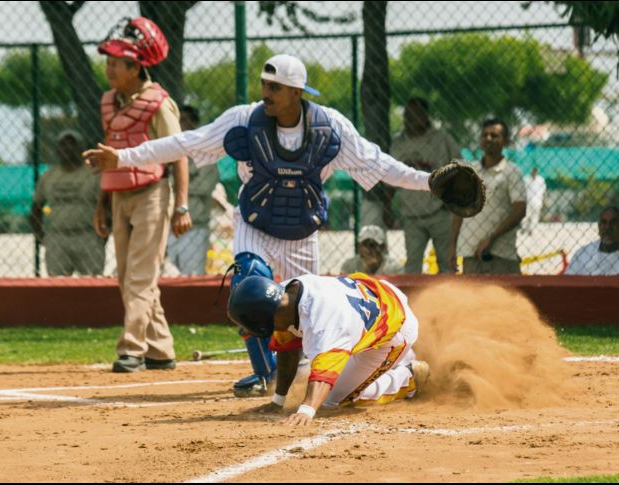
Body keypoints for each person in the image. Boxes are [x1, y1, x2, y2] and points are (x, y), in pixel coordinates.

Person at [84, 53, 455, 395]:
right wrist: (122, 157)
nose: (266, 93)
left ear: (296, 91)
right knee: (250, 283)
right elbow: (184, 142)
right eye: (263, 84)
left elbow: (381, 163)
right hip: (255, 222)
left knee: (301, 317)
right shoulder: (244, 120)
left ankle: (391, 373)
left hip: (302, 231)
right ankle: (266, 375)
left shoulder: (330, 127)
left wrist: (429, 181)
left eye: (275, 87)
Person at [94, 17, 192, 373]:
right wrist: (101, 204)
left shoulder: (158, 103)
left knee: (139, 276)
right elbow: (110, 156)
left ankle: (131, 349)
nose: (109, 69)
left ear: (136, 67)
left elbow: (178, 152)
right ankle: (160, 348)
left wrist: (181, 204)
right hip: (119, 196)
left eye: (117, 63)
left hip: (152, 194)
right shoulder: (109, 102)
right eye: (108, 62)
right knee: (128, 277)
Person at [227, 272, 430, 426]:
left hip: (394, 328)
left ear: (273, 315)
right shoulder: (284, 296)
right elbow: (287, 350)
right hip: (375, 300)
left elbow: (324, 376)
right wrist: (278, 401)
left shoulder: (325, 324)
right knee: (314, 372)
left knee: (333, 399)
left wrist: (306, 410)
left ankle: (408, 377)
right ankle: (405, 358)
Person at [448, 119, 526, 274]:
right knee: (472, 298)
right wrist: (452, 246)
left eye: (494, 135)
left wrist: (491, 239)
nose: (488, 138)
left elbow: (520, 210)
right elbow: (459, 211)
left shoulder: (512, 172)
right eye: (485, 135)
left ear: (505, 141)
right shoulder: (470, 171)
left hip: (500, 256)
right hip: (470, 255)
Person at [391, 98, 460, 274]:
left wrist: (452, 197)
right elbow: (389, 175)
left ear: (425, 115)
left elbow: (461, 166)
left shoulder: (442, 139)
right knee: (413, 267)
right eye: (407, 115)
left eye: (415, 114)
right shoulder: (398, 143)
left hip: (440, 212)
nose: (410, 119)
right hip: (411, 215)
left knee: (447, 265)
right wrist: (387, 205)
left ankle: (450, 300)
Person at [31, 130, 105, 276]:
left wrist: (103, 235)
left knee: (92, 282)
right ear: (57, 150)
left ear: (81, 149)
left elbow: (106, 205)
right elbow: (36, 207)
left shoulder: (94, 174)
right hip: (57, 236)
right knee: (57, 285)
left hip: (87, 235)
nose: (67, 149)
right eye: (63, 145)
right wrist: (40, 235)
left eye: (72, 145)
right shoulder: (48, 176)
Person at [165, 105, 219, 275]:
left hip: (194, 226)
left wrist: (175, 184)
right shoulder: (167, 152)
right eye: (178, 121)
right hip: (167, 226)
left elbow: (204, 186)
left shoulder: (206, 154)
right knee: (165, 276)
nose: (181, 125)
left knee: (192, 275)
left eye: (185, 120)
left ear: (195, 124)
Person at [566, 206, 619, 276]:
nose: (607, 227)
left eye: (613, 223)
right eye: (603, 222)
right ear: (598, 226)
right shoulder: (582, 254)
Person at [521, 167, 546, 235]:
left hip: (537, 201)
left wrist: (543, 200)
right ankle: (524, 228)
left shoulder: (541, 180)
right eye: (533, 170)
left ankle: (531, 229)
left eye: (535, 171)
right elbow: (522, 190)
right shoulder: (525, 179)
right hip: (527, 200)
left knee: (535, 216)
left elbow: (543, 191)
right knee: (526, 216)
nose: (534, 172)